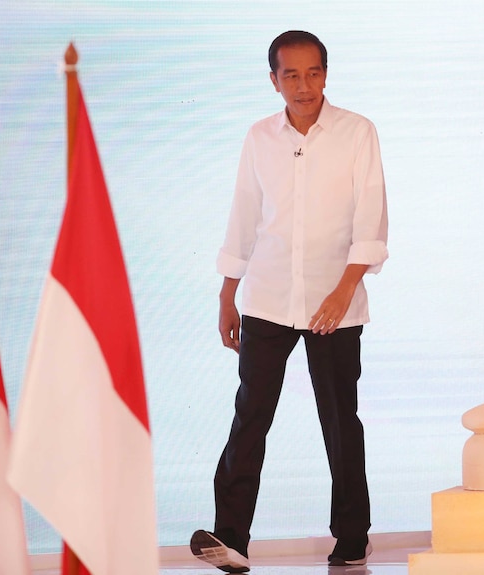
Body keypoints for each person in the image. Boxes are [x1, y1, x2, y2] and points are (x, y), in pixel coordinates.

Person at [190, 30, 389, 572]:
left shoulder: (357, 133)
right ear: (273, 79)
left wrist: (345, 289)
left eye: (314, 73)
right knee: (250, 416)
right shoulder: (259, 137)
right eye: (291, 75)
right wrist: (227, 296)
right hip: (267, 299)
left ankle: (352, 538)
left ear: (327, 74)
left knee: (339, 420)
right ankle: (230, 539)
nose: (304, 86)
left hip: (336, 305)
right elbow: (244, 218)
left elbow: (370, 220)